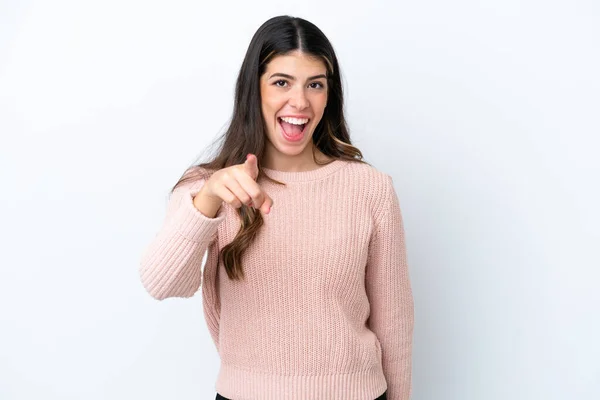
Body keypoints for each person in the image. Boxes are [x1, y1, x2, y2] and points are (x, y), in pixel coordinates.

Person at [138, 15, 414, 400]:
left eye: (315, 85)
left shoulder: (369, 188)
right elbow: (161, 282)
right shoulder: (210, 187)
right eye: (281, 82)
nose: (299, 101)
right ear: (255, 90)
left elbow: (394, 323)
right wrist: (209, 201)